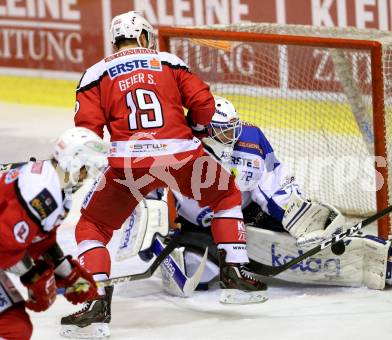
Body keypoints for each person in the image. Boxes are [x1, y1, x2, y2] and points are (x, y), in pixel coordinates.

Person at [61, 10, 266, 339]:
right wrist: (197, 129)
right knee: (226, 195)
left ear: (117, 42)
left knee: (92, 226)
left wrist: (84, 165)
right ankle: (235, 271)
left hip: (128, 165)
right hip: (181, 156)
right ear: (143, 37)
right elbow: (204, 106)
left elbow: (86, 133)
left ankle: (95, 301)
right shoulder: (168, 61)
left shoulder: (94, 74)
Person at [158, 96, 392, 293]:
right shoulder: (174, 154)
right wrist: (156, 242)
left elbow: (272, 184)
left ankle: (367, 252)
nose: (233, 136)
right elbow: (150, 205)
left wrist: (297, 218)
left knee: (294, 227)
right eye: (225, 132)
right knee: (204, 274)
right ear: (203, 133)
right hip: (196, 229)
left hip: (244, 215)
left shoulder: (249, 141)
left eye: (234, 128)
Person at [0, 126, 108, 340]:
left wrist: (69, 275)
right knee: (12, 329)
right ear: (74, 163)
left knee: (15, 327)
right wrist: (34, 277)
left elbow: (40, 241)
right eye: (88, 168)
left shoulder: (54, 186)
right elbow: (4, 247)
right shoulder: (40, 193)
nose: (88, 177)